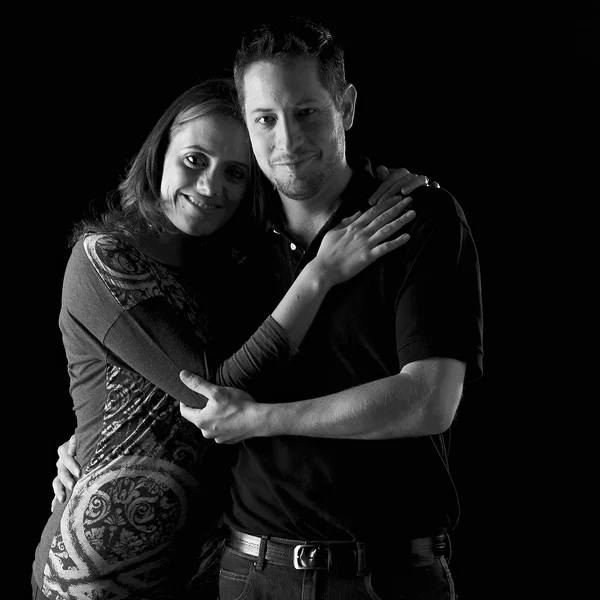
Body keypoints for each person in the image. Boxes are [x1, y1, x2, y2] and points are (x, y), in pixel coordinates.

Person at [33, 75, 426, 600]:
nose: (211, 187)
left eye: (235, 174)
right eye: (194, 160)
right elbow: (211, 393)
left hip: (205, 562)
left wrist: (379, 181)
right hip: (104, 567)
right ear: (160, 152)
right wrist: (320, 274)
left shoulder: (227, 266)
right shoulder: (104, 256)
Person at [173, 17, 484, 599]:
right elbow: (185, 382)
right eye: (265, 119)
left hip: (390, 575)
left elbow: (429, 401)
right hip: (252, 574)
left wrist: (262, 419)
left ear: (346, 105)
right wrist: (80, 452)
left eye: (307, 112)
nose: (286, 142)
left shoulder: (416, 219)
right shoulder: (226, 237)